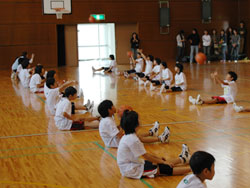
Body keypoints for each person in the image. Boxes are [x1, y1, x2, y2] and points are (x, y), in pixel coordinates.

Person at [117, 110, 191, 179]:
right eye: (138, 119)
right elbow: (146, 156)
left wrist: (159, 159)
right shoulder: (133, 139)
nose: (140, 120)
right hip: (131, 170)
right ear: (135, 124)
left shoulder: (129, 136)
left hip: (132, 165)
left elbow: (145, 154)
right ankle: (194, 168)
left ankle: (183, 159)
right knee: (164, 168)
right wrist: (162, 162)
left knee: (159, 162)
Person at [97, 100, 171, 148]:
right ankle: (161, 139)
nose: (114, 107)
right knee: (137, 137)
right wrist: (123, 120)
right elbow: (119, 135)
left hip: (113, 141)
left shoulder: (108, 119)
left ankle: (151, 133)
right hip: (114, 143)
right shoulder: (108, 121)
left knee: (133, 135)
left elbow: (116, 130)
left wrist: (122, 123)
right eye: (112, 106)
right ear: (109, 110)